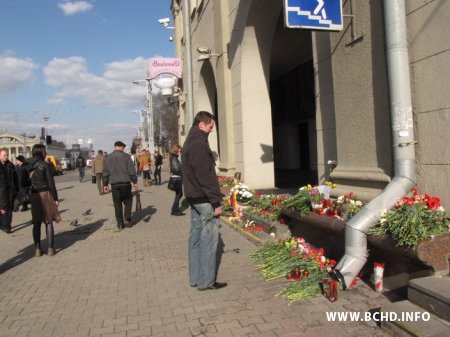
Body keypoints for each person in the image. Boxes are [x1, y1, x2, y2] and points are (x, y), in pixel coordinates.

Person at [181, 111, 227, 291]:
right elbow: (205, 176)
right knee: (209, 240)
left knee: (196, 238)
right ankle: (206, 282)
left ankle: (196, 278)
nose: (211, 130)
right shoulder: (198, 144)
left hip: (194, 198)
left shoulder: (190, 141)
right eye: (210, 126)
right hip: (204, 199)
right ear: (202, 125)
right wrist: (216, 202)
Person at [28, 144, 60, 256]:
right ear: (42, 152)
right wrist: (55, 198)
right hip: (45, 194)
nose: (46, 153)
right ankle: (50, 248)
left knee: (36, 223)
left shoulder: (27, 165)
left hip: (33, 195)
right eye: (44, 151)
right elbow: (51, 183)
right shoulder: (45, 165)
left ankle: (37, 249)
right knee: (49, 220)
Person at [103, 141, 138, 231]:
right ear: (122, 147)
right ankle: (127, 219)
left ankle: (120, 223)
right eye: (123, 147)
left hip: (114, 184)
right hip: (125, 183)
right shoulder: (126, 157)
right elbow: (132, 170)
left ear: (115, 147)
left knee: (117, 204)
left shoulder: (108, 157)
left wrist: (105, 184)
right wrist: (134, 181)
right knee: (128, 201)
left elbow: (106, 172)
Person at [0, 148, 19, 234]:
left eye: (7, 155)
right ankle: (2, 225)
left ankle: (7, 226)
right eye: (4, 155)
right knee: (2, 209)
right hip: (1, 191)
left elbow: (15, 179)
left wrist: (17, 190)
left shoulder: (10, 165)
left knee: (9, 209)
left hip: (10, 190)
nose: (6, 157)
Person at [169, 145, 184, 216]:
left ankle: (174, 210)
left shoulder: (174, 157)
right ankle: (176, 210)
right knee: (179, 194)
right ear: (176, 150)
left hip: (177, 177)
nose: (180, 152)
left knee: (178, 194)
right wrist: (182, 171)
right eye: (179, 151)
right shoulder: (174, 158)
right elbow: (176, 168)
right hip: (177, 177)